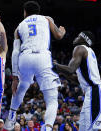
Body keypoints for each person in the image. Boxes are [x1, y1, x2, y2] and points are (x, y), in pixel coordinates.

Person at [4, 1, 66, 131]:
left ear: (25, 12)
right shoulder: (47, 19)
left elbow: (15, 52)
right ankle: (48, 127)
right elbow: (59, 36)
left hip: (25, 57)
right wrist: (62, 31)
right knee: (52, 99)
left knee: (22, 85)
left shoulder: (19, 26)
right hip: (42, 57)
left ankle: (11, 115)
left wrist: (15, 77)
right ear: (38, 11)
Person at [53, 31, 101, 130]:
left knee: (91, 128)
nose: (76, 38)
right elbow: (77, 79)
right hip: (93, 92)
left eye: (78, 36)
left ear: (85, 39)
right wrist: (61, 72)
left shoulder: (80, 48)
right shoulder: (88, 51)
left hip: (95, 91)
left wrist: (55, 65)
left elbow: (70, 70)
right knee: (83, 127)